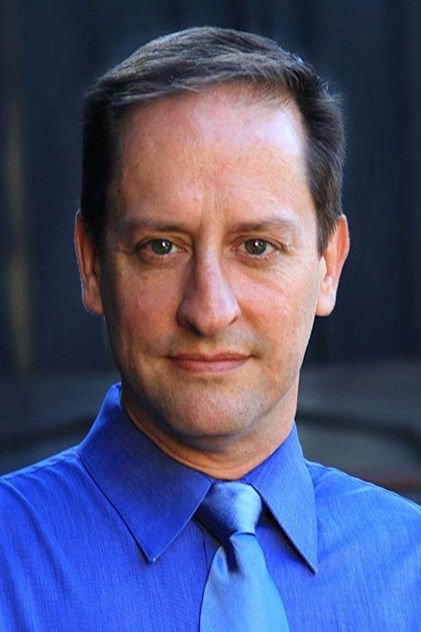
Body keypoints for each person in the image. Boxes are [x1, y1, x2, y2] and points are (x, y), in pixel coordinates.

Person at [0, 26, 419, 631]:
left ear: (329, 265)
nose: (209, 309)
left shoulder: (412, 569)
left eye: (257, 246)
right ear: (91, 264)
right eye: (161, 246)